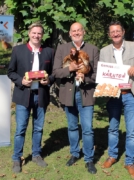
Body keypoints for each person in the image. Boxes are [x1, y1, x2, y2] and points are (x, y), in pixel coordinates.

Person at [99, 21, 134, 179]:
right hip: (113, 94)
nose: (115, 34)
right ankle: (112, 156)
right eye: (112, 32)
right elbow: (102, 73)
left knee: (131, 131)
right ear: (109, 34)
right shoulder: (104, 51)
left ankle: (130, 162)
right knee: (113, 128)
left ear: (123, 32)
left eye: (118, 31)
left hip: (130, 94)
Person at [8, 22, 54, 173]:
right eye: (34, 33)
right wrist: (21, 80)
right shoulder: (18, 50)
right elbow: (11, 72)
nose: (36, 35)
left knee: (38, 128)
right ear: (29, 33)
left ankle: (36, 154)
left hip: (41, 95)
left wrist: (49, 80)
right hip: (23, 96)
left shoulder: (49, 51)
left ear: (42, 35)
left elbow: (53, 73)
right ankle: (17, 157)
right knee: (21, 128)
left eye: (39, 33)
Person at [53, 22, 99, 174]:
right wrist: (69, 69)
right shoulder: (62, 49)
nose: (76, 33)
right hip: (69, 94)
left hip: (86, 94)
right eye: (74, 31)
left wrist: (85, 78)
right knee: (72, 126)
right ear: (69, 33)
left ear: (83, 32)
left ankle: (89, 159)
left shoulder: (93, 49)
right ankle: (74, 153)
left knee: (87, 129)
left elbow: (98, 74)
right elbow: (56, 72)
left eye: (79, 30)